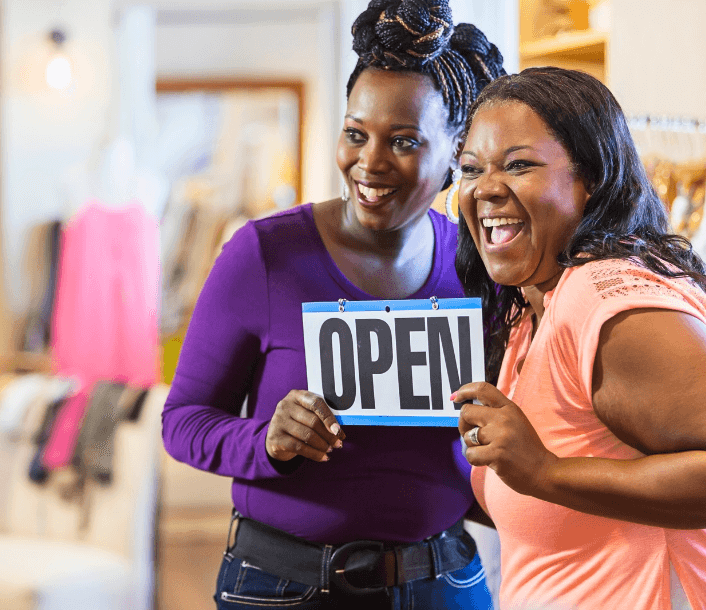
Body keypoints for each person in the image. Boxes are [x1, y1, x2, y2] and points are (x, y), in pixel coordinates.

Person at [161, 1, 506, 608]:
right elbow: (183, 420)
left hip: (444, 580)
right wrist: (267, 440)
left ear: (457, 150)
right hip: (284, 585)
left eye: (404, 141)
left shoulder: (482, 266)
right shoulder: (264, 256)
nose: (369, 163)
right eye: (355, 133)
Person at [452, 67, 706, 610]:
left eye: (519, 165)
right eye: (472, 169)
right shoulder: (533, 308)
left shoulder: (601, 295)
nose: (486, 188)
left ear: (591, 179)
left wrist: (547, 472)